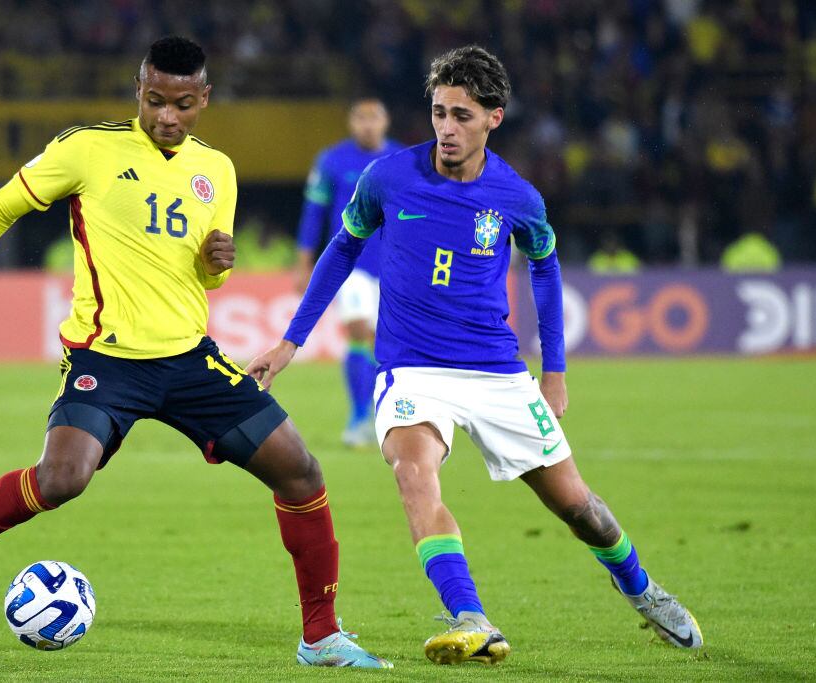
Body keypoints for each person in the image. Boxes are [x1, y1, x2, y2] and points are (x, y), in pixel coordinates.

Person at [0, 36, 390, 669]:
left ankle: (320, 637)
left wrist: (216, 263)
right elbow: (0, 208)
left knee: (300, 470)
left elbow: (207, 275)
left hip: (191, 360)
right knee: (62, 478)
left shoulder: (217, 169)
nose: (167, 116)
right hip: (105, 360)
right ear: (139, 89)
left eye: (183, 104)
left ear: (203, 99)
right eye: (155, 100)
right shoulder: (88, 149)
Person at [247, 45, 703, 665]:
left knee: (579, 508)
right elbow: (341, 250)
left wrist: (555, 372)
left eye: (461, 115)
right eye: (438, 112)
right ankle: (470, 615)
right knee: (413, 474)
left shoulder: (517, 196)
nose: (445, 128)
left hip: (497, 371)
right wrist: (290, 341)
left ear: (495, 117)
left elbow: (544, 268)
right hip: (411, 369)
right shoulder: (387, 177)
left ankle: (643, 589)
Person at [295, 98, 403, 447]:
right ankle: (359, 417)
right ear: (351, 122)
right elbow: (314, 212)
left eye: (374, 118)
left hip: (394, 264)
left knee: (382, 341)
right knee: (359, 330)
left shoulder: (404, 160)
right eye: (361, 118)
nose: (368, 125)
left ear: (386, 122)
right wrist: (304, 263)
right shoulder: (332, 160)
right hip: (352, 263)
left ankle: (382, 414)